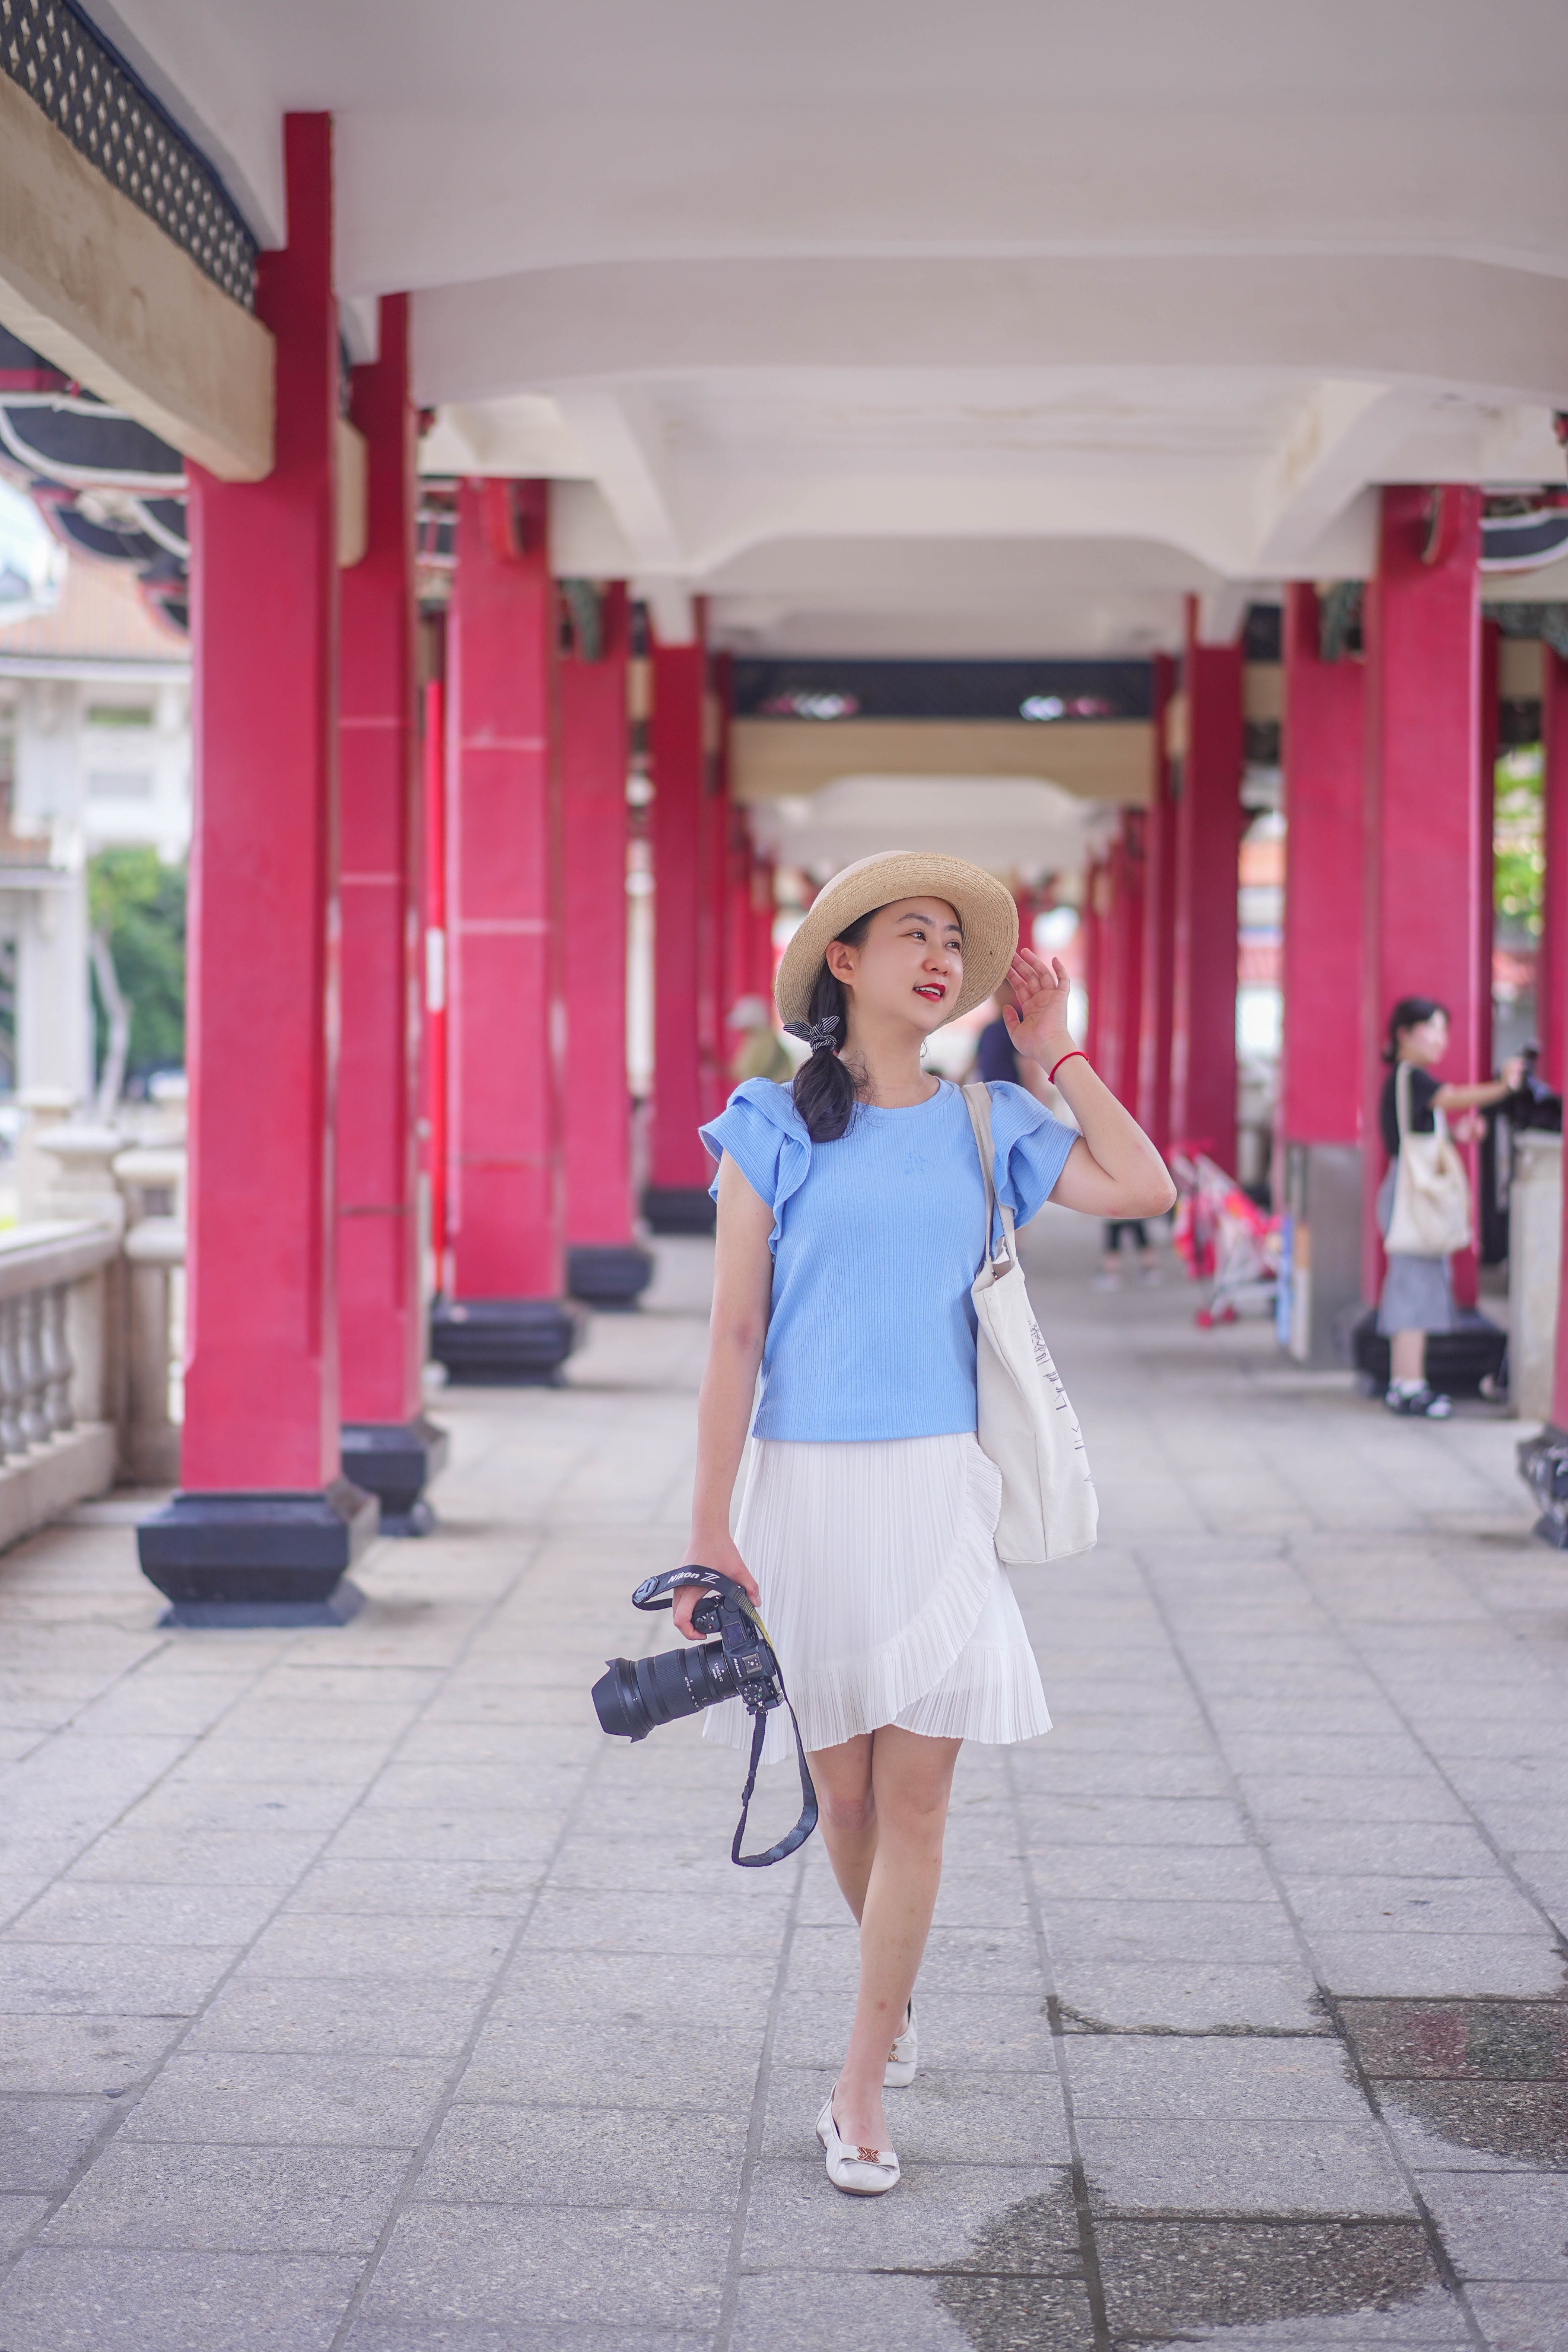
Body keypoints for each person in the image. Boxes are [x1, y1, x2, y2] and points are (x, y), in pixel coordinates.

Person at [681, 850, 1173, 2196]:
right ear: (844, 964)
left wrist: (1058, 1050)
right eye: (912, 934)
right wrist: (706, 1531)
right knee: (841, 1797)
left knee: (919, 1801)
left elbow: (1143, 1190)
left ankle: (854, 2083)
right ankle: (888, 1998)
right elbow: (732, 1337)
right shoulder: (769, 1125)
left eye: (953, 939)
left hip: (937, 1494)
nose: (941, 956)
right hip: (803, 1497)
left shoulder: (987, 1123)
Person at [1378, 996, 1522, 1419]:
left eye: (1443, 1030)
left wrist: (1457, 1133)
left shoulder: (1405, 1082)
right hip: (1410, 1200)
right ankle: (1407, 1386)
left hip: (1405, 1195)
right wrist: (1503, 1086)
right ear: (1404, 1034)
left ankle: (1406, 1383)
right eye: (1432, 1028)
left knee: (1414, 1286)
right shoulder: (1412, 1078)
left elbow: (1427, 1129)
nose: (1440, 1039)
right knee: (1413, 1289)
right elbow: (1453, 1096)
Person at [727, 994, 793, 1085]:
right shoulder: (763, 1038)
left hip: (768, 1094)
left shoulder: (762, 1041)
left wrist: (715, 1065)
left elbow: (742, 1071)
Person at [1095, 1217, 1158, 1290]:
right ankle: (1150, 1271)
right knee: (1141, 1237)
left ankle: (1111, 1274)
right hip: (1136, 1212)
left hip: (1115, 1214)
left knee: (1113, 1239)